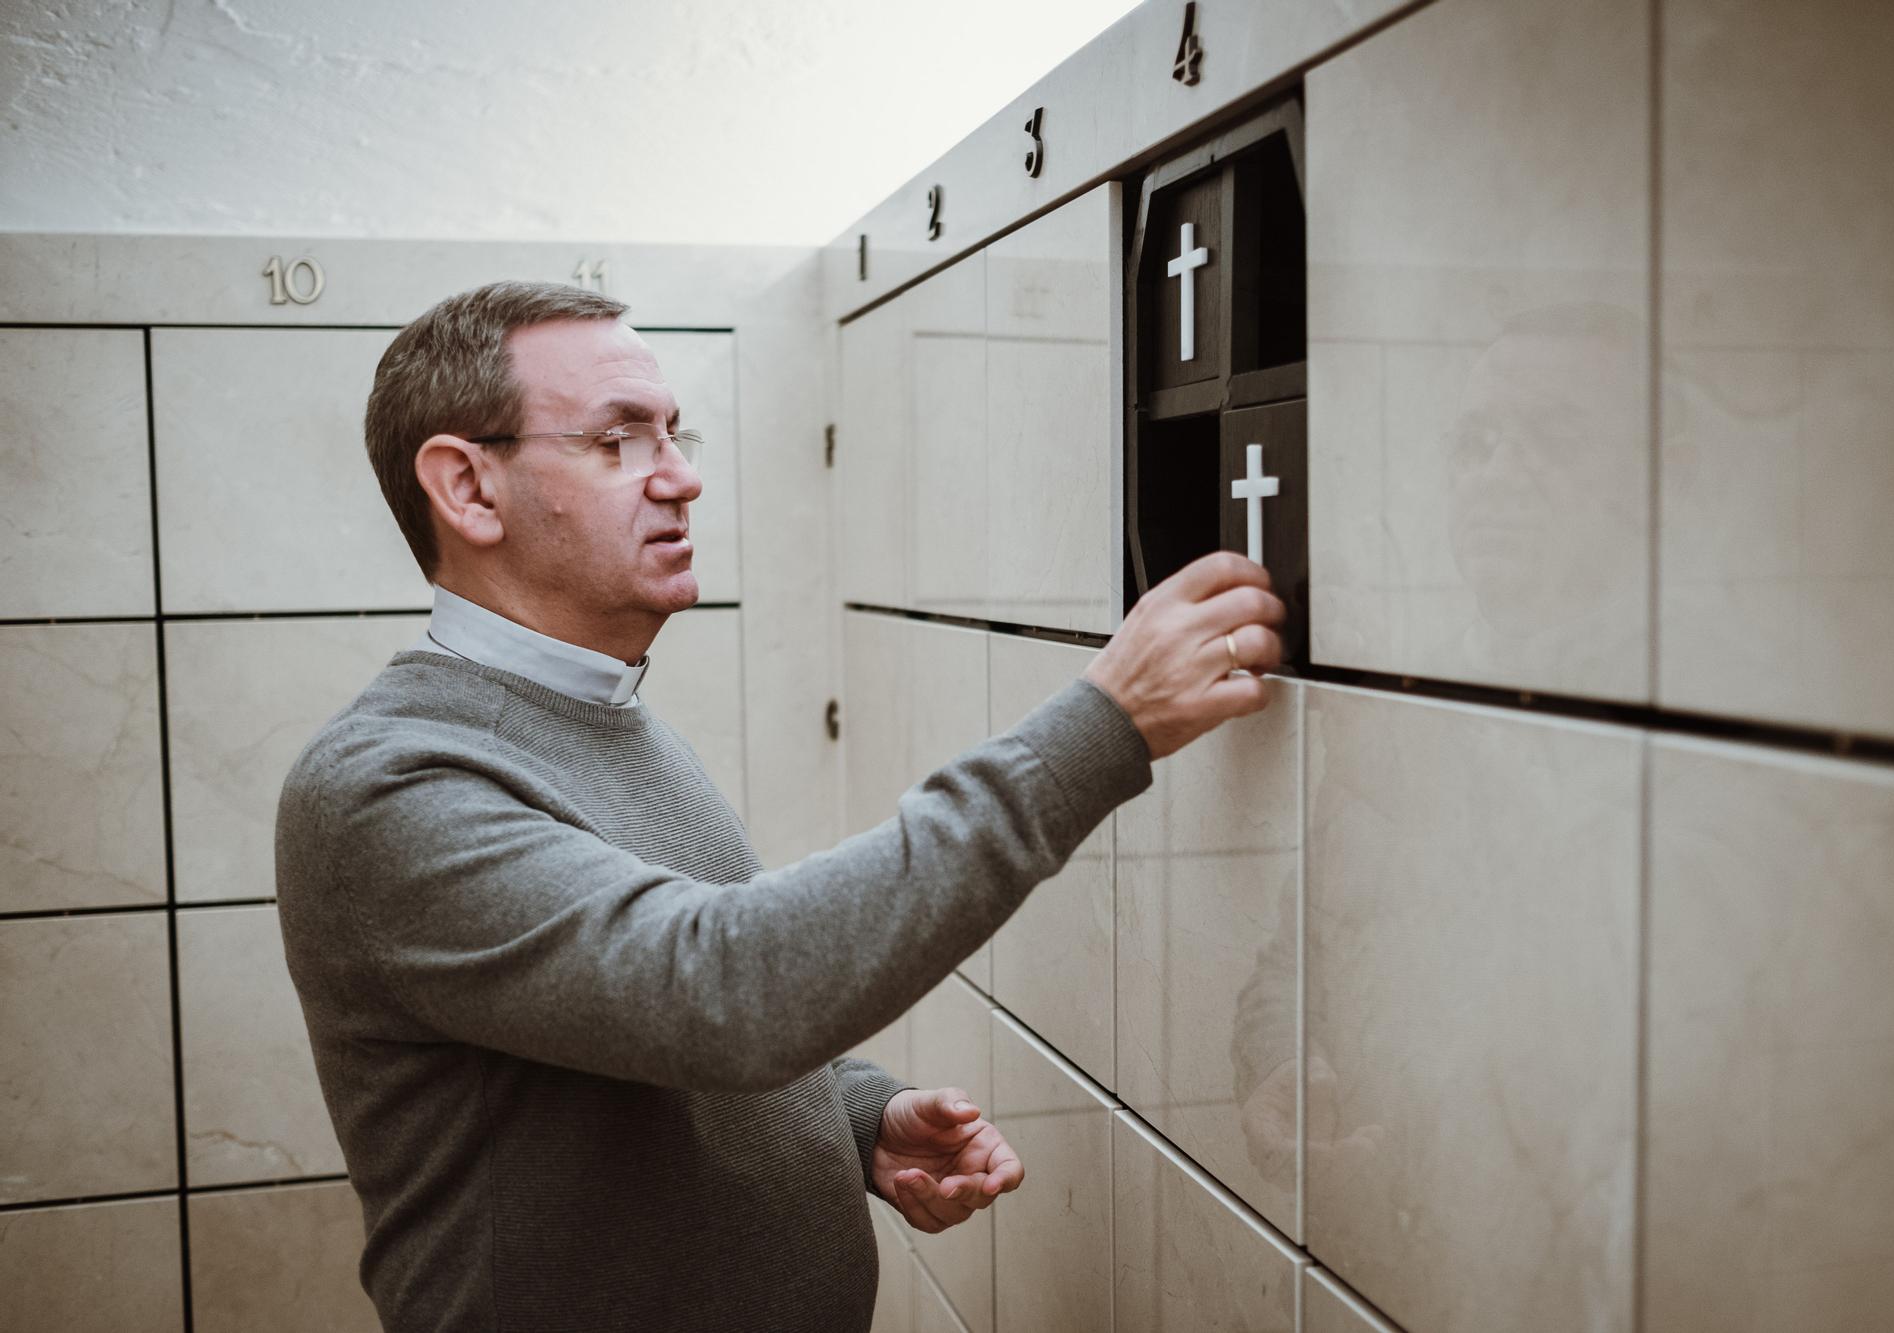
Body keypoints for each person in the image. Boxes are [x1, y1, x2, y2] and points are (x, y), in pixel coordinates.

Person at [275, 280, 1284, 1332]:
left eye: (676, 433)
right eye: (619, 441)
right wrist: (1103, 725)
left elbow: (643, 1019)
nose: (682, 477)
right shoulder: (386, 789)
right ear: (468, 488)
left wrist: (854, 1118)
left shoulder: (597, 708)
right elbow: (725, 987)